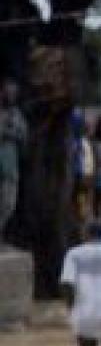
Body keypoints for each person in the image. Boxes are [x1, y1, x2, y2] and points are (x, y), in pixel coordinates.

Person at [0, 80, 27, 239]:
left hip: (10, 163)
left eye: (13, 93)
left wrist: (8, 132)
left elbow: (23, 135)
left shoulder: (16, 114)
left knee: (9, 203)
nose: (11, 96)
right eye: (7, 92)